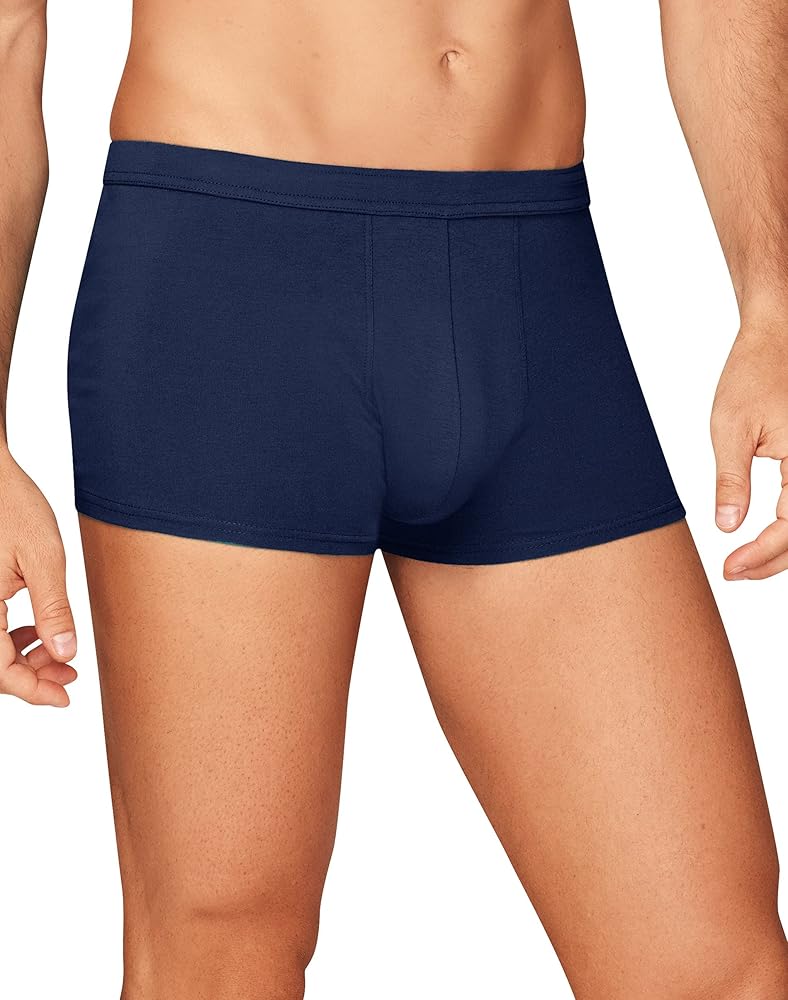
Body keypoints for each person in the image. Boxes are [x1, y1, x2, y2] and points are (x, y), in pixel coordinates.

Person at [1, 0, 786, 997]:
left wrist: (774, 304)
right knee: (218, 957)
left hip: (534, 288)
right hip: (233, 285)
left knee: (714, 969)